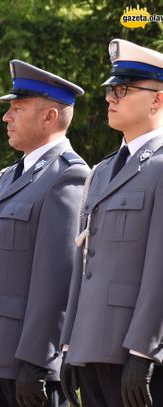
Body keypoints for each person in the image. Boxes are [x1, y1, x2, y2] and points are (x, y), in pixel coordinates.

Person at [0, 60, 89, 407]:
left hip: (26, 361)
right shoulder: (9, 176)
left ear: (49, 116)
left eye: (17, 108)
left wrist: (40, 360)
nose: (6, 117)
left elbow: (57, 277)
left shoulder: (68, 176)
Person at [60, 39, 163, 407]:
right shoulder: (101, 171)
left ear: (158, 99)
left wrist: (145, 349)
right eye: (109, 90)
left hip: (135, 351)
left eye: (122, 89)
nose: (110, 98)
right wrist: (70, 343)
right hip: (93, 346)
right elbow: (84, 262)